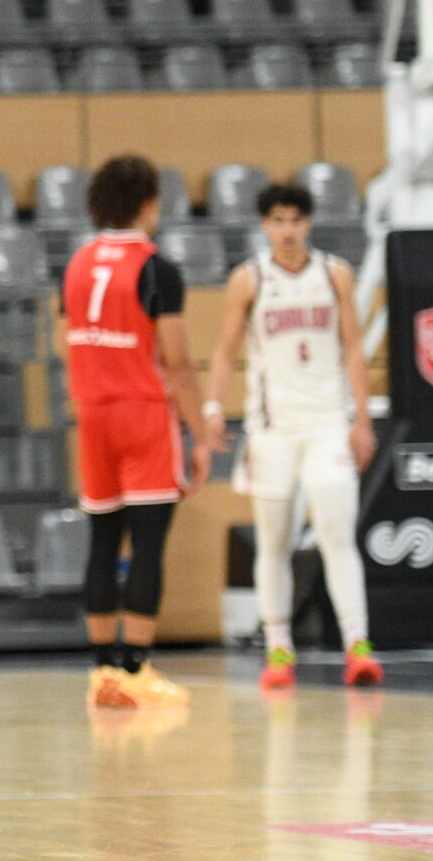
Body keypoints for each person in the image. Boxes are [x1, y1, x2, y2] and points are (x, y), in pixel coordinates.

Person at [204, 183, 383, 689]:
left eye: (296, 220)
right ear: (265, 225)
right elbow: (225, 351)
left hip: (328, 425)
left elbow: (354, 349)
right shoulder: (249, 279)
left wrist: (362, 419)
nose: (287, 230)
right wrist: (213, 405)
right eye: (278, 220)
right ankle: (279, 648)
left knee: (338, 533)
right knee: (275, 539)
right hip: (273, 430)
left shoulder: (334, 273)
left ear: (309, 223)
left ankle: (358, 646)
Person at [63, 155, 211, 711]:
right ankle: (136, 671)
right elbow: (178, 362)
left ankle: (101, 672)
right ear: (148, 203)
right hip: (142, 413)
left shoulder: (77, 264)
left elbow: (70, 338)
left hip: (93, 413)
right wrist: (200, 434)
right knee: (147, 545)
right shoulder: (155, 268)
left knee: (103, 542)